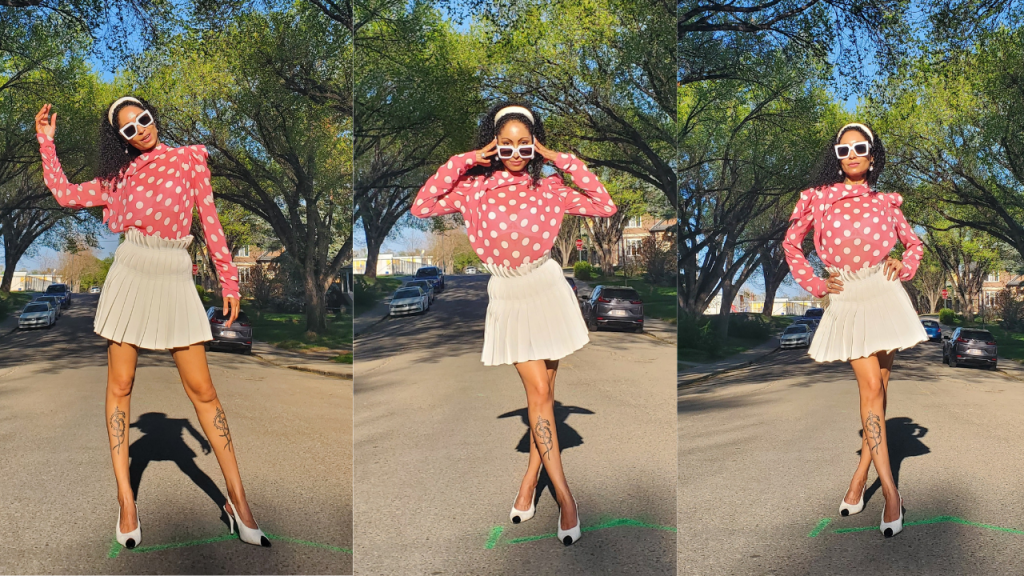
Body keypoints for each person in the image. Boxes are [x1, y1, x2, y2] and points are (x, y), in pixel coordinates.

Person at [34, 98, 269, 548]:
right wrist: (47, 142)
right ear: (119, 139)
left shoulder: (188, 159)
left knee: (203, 390)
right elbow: (64, 194)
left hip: (175, 273)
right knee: (120, 386)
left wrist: (229, 280)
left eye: (143, 119)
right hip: (131, 271)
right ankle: (126, 500)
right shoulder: (116, 178)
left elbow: (211, 221)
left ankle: (239, 500)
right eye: (128, 129)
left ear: (154, 117)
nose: (140, 130)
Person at [411, 101, 617, 545]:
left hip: (548, 288)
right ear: (493, 146)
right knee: (539, 394)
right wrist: (467, 158)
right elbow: (422, 205)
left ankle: (529, 479)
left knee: (547, 397)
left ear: (535, 144)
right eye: (506, 146)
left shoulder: (550, 188)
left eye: (525, 144)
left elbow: (606, 204)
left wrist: (559, 157)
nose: (516, 153)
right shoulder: (473, 189)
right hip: (508, 293)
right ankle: (565, 499)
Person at [782, 122, 927, 538]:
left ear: (873, 154)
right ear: (836, 156)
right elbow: (792, 244)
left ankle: (858, 478)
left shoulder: (886, 201)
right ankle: (891, 493)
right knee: (869, 389)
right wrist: (814, 285)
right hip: (846, 294)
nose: (853, 155)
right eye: (844, 150)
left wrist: (905, 263)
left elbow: (913, 244)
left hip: (884, 291)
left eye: (860, 148)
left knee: (880, 387)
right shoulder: (816, 198)